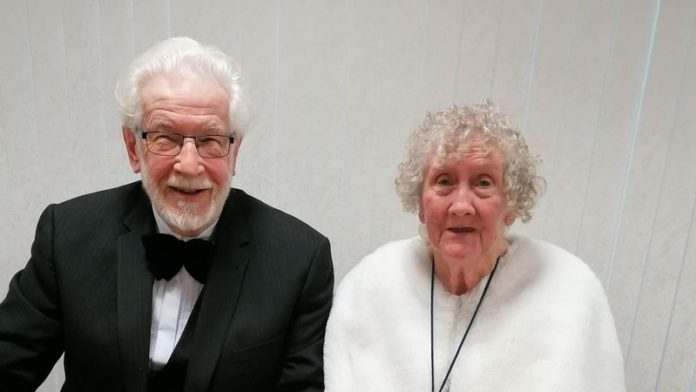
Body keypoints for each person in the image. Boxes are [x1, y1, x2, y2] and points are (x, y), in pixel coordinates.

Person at [0, 37, 333, 392]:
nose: (189, 165)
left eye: (210, 140)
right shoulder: (66, 234)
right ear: (133, 148)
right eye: (165, 137)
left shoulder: (301, 259)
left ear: (234, 153)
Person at [323, 102, 625, 391]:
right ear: (420, 203)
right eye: (444, 181)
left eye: (483, 183)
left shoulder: (569, 293)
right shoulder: (371, 286)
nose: (461, 206)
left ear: (512, 203)